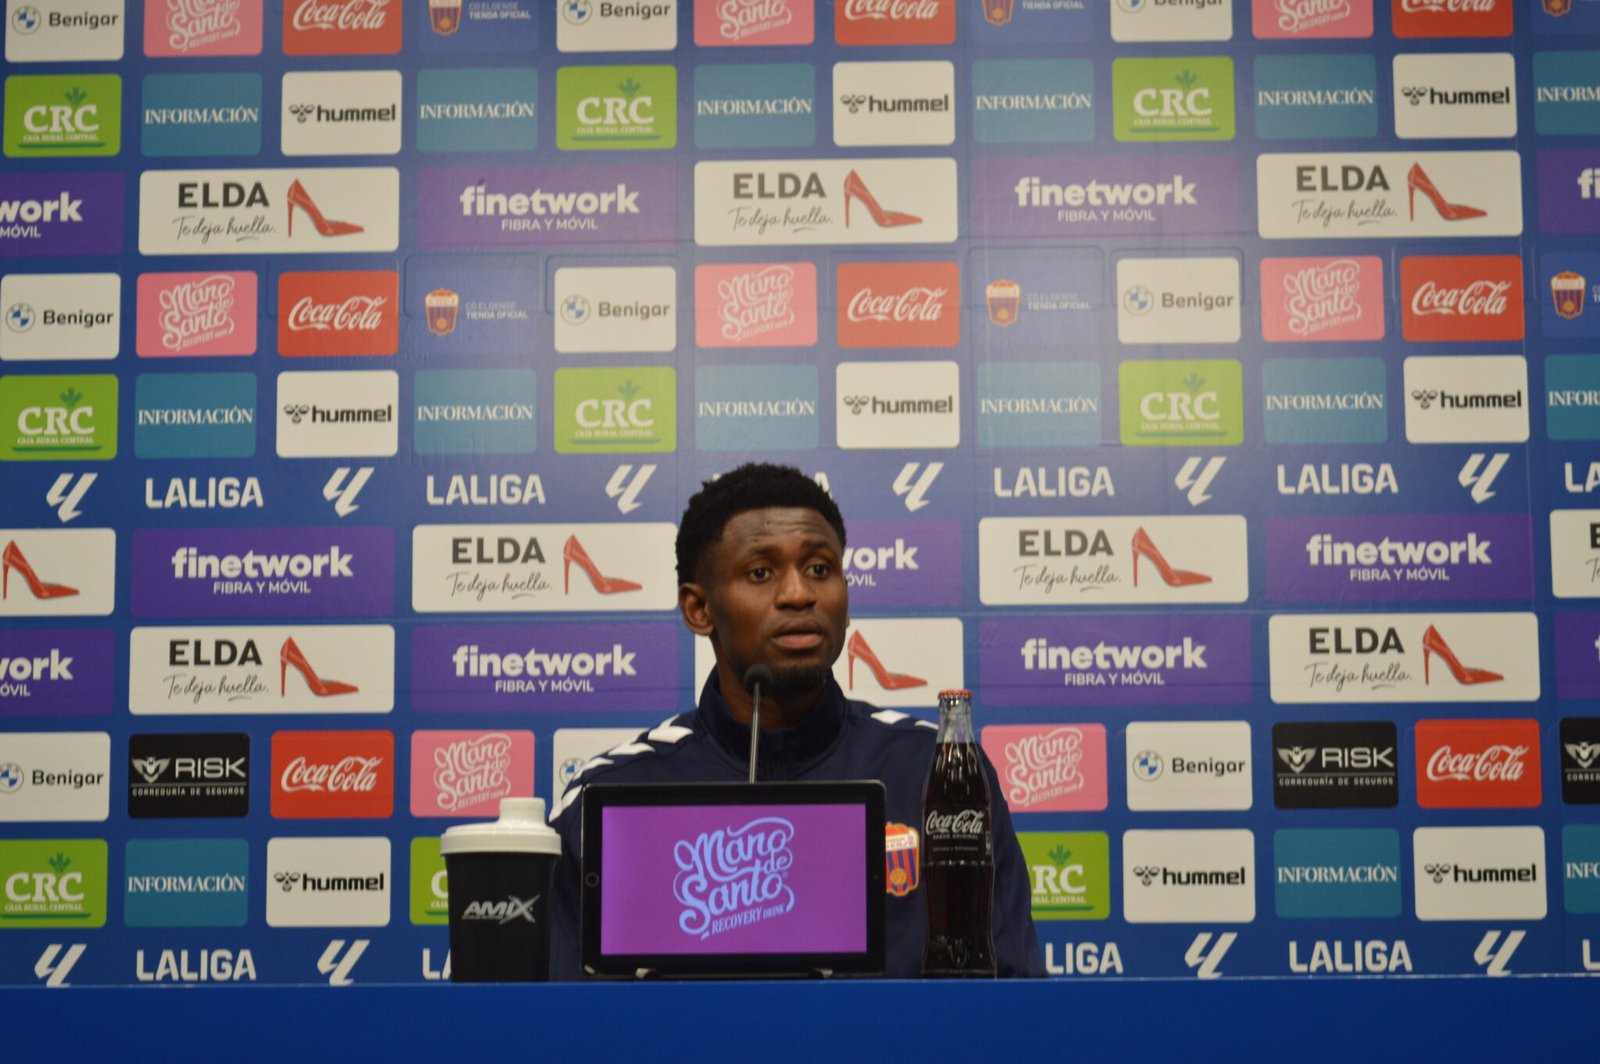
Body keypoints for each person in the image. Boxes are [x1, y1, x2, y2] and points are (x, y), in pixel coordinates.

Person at [547, 462, 1045, 978]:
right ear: (699, 609)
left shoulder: (933, 774)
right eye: (761, 573)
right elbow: (553, 1029)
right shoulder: (609, 801)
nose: (798, 594)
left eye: (820, 569)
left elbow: (1012, 1007)